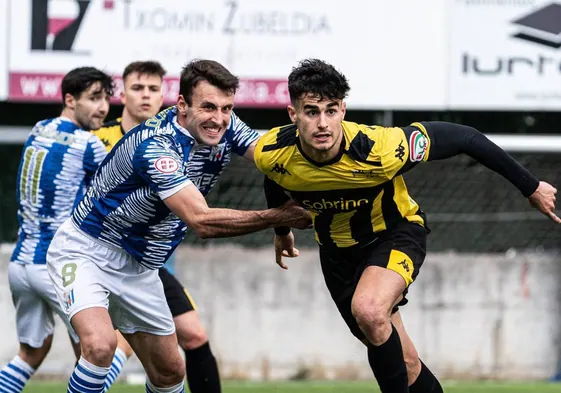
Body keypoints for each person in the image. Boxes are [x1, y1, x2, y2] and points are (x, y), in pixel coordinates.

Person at [254, 59, 560, 393]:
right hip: (337, 255)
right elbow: (276, 180)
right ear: (292, 114)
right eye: (311, 111)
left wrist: (530, 187)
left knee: (369, 310)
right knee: (406, 362)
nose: (323, 123)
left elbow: (465, 138)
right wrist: (281, 231)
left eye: (331, 110)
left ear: (343, 109)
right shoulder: (272, 152)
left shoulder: (381, 149)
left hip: (395, 235)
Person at [46, 59, 311, 393]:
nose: (218, 119)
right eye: (209, 107)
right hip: (88, 251)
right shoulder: (156, 144)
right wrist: (279, 218)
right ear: (182, 105)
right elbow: (201, 220)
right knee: (100, 346)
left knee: (171, 372)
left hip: (142, 268)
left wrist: (318, 147)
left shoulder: (224, 125)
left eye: (227, 108)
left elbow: (272, 160)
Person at [92, 60, 223, 393]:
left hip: (152, 262)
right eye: (138, 88)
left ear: (165, 94)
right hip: (103, 256)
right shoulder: (98, 139)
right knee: (110, 345)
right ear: (123, 92)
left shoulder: (176, 139)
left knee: (193, 334)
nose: (146, 96)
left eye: (153, 89)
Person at [0, 67, 112, 393]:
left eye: (106, 98)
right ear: (69, 99)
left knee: (32, 353)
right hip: (57, 266)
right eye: (94, 98)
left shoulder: (39, 128)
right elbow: (108, 201)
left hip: (21, 265)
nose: (103, 107)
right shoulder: (89, 144)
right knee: (95, 353)